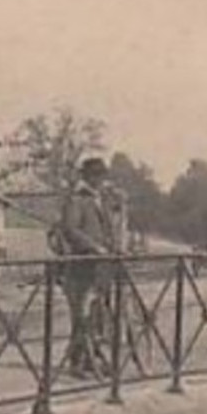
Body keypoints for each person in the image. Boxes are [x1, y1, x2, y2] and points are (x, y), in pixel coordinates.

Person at [57, 158, 116, 377]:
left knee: (95, 315)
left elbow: (107, 230)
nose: (99, 180)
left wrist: (113, 248)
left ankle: (91, 359)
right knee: (80, 316)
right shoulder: (77, 200)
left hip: (99, 268)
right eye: (95, 176)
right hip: (81, 265)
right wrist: (94, 247)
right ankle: (76, 362)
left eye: (101, 176)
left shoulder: (100, 200)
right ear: (87, 177)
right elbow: (71, 230)